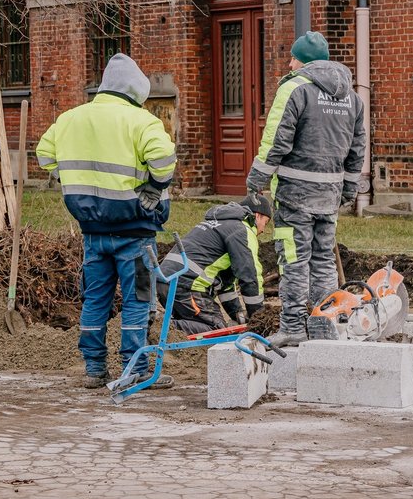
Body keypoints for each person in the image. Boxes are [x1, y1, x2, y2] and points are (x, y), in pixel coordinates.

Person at [36, 53, 177, 389]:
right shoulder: (142, 121)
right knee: (137, 300)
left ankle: (94, 369)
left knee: (95, 299)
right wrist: (155, 189)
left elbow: (44, 155)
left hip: (92, 231)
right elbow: (164, 160)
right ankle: (134, 370)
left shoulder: (70, 119)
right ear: (136, 93)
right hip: (135, 231)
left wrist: (69, 176)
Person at [246, 31, 366, 347]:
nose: (289, 63)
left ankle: (293, 328)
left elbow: (276, 139)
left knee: (294, 259)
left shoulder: (294, 88)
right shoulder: (352, 97)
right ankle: (325, 322)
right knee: (323, 259)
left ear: (303, 60)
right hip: (330, 194)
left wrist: (257, 178)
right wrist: (350, 188)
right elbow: (357, 147)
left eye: (293, 57)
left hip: (295, 192)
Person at [156, 194, 272, 335]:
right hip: (186, 287)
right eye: (265, 223)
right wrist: (258, 319)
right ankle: (157, 326)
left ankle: (163, 327)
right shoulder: (242, 230)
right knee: (217, 331)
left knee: (199, 323)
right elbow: (250, 276)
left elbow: (225, 285)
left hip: (167, 281)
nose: (263, 230)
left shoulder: (222, 224)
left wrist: (239, 316)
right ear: (258, 215)